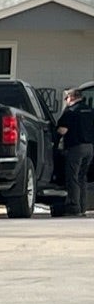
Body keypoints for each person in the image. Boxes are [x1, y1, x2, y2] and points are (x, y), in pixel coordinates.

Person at [56, 87, 94, 217]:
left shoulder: (70, 111)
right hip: (89, 148)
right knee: (82, 177)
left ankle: (74, 206)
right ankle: (83, 207)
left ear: (71, 97)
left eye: (66, 98)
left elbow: (62, 130)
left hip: (76, 148)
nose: (66, 100)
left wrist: (55, 140)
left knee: (73, 177)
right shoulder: (90, 110)